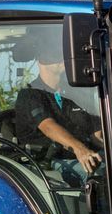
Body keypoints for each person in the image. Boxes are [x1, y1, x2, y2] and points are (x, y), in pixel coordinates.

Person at [12, 35, 104, 176]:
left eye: (61, 53)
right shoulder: (30, 95)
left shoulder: (75, 93)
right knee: (99, 176)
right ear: (40, 60)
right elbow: (48, 127)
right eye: (53, 53)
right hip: (49, 162)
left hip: (81, 156)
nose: (61, 57)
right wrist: (80, 149)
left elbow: (96, 134)